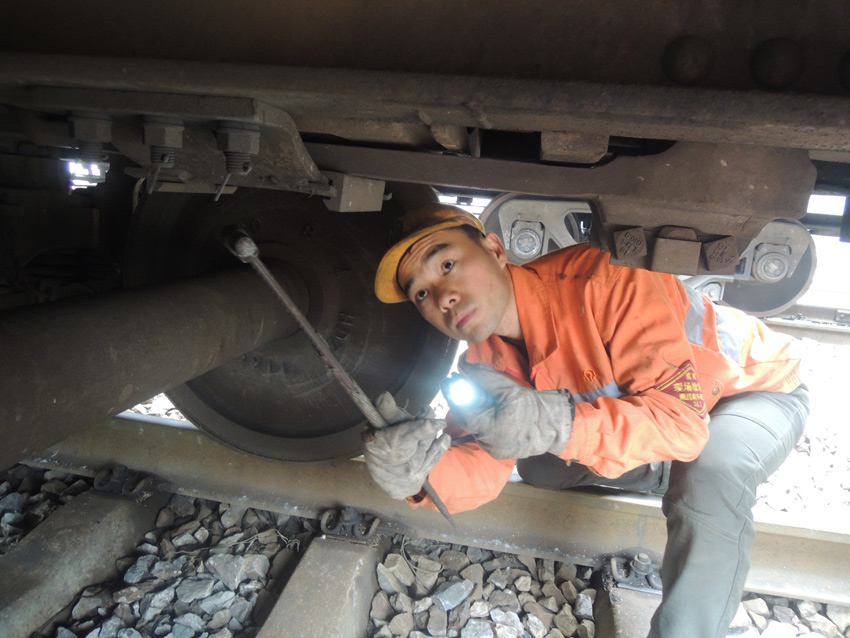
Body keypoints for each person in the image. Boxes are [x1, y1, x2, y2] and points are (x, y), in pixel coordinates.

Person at [364, 203, 809, 638]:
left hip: (750, 393)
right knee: (538, 465)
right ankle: (668, 471)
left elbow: (683, 425)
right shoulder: (485, 361)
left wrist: (557, 423)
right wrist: (420, 474)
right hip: (672, 422)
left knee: (709, 474)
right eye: (420, 292)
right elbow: (483, 466)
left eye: (446, 264)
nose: (444, 297)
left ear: (496, 250)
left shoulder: (608, 281)